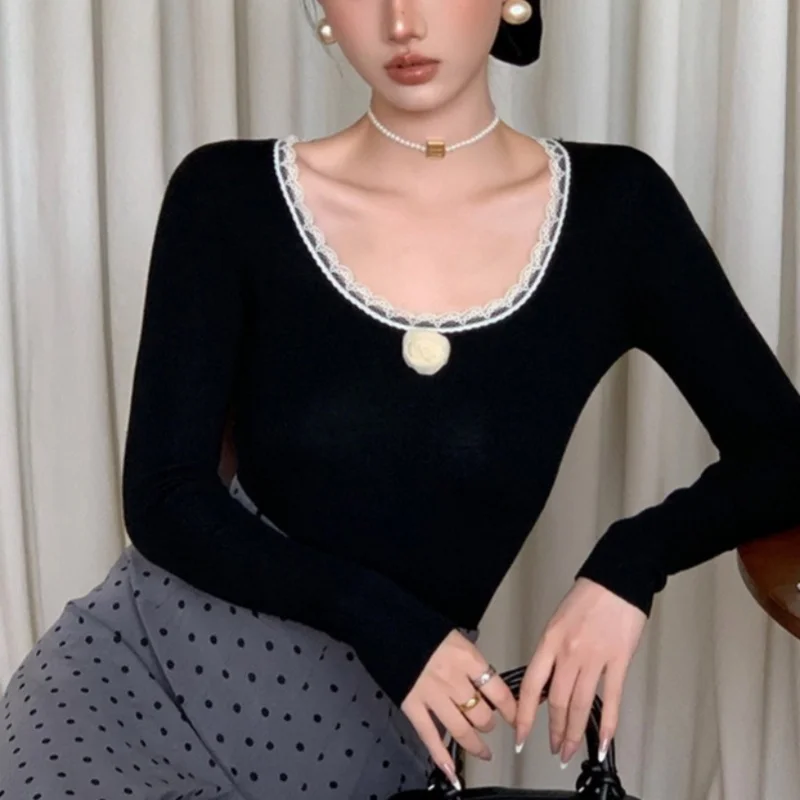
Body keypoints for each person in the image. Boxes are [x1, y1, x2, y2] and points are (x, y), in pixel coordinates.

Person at [3, 1, 800, 797]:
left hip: (356, 745)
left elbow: (784, 450)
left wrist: (630, 564)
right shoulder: (227, 194)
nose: (400, 21)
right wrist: (379, 619)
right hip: (133, 683)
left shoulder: (618, 210)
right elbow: (164, 496)